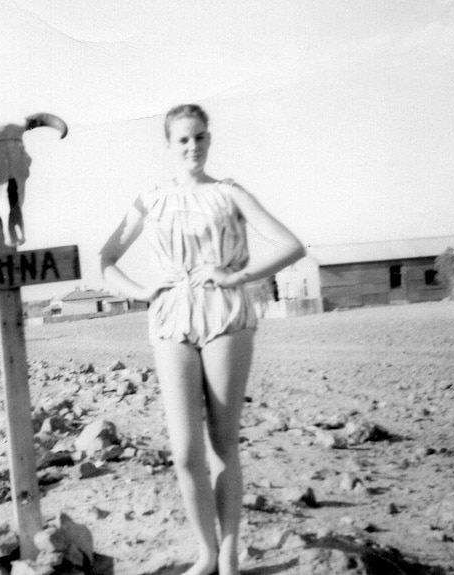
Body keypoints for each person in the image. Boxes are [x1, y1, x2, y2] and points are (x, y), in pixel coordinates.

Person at [100, 104, 305, 575]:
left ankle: (229, 555)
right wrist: (141, 291)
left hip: (225, 315)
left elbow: (291, 245)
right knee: (184, 452)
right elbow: (106, 258)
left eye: (200, 138)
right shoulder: (150, 200)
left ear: (209, 140)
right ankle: (206, 552)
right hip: (171, 317)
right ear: (169, 146)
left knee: (222, 442)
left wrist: (238, 277)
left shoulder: (228, 193)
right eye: (183, 140)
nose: (193, 147)